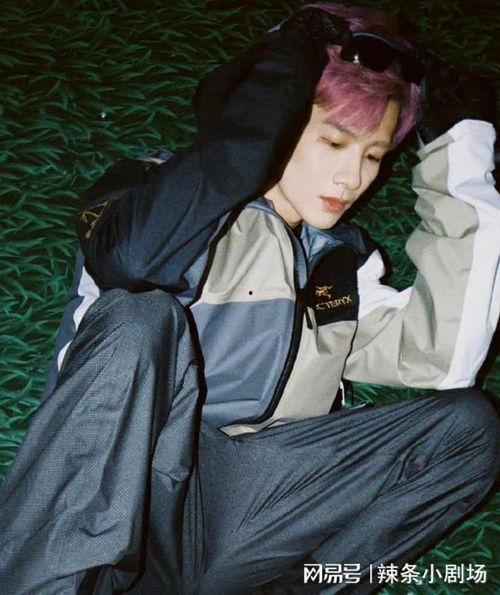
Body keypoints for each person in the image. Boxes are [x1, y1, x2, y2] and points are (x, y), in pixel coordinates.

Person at [0, 3, 499, 594]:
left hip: (256, 502)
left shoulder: (340, 262)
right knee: (140, 317)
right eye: (333, 142)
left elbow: (443, 359)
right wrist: (285, 67)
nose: (353, 179)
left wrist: (462, 148)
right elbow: (131, 262)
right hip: (134, 486)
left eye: (372, 155)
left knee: (470, 428)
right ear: (276, 116)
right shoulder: (157, 200)